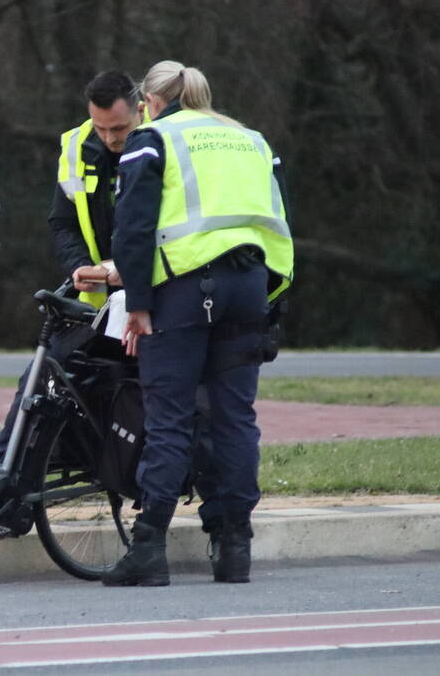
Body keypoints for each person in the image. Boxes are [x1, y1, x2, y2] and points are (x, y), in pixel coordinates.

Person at [103, 60, 294, 587]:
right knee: (234, 418)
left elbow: (134, 228)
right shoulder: (252, 141)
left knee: (169, 417)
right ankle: (235, 549)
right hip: (250, 287)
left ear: (151, 101)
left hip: (184, 292)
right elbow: (278, 218)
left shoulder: (153, 138)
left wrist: (137, 303)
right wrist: (271, 296)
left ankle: (148, 549)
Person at [0, 70, 145, 533]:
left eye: (120, 128)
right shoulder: (77, 146)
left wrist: (127, 271)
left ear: (140, 108)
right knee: (37, 383)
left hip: (146, 301)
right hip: (97, 303)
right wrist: (79, 266)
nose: (111, 139)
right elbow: (62, 223)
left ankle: (11, 500)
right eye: (102, 129)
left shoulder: (162, 139)